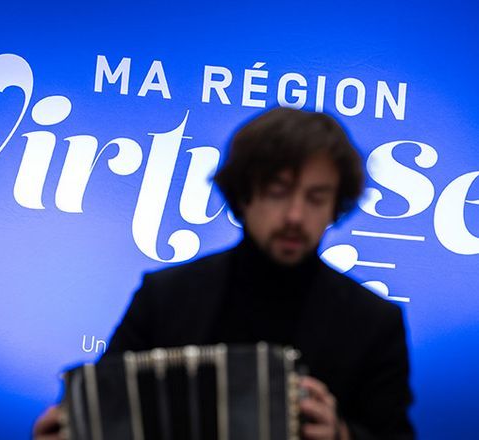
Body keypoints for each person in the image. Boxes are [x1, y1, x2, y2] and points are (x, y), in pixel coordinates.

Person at [34, 108, 414, 440]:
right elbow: (102, 405)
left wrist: (342, 434)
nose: (296, 216)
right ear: (244, 195)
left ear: (335, 206)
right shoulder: (165, 295)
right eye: (278, 191)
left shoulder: (374, 322)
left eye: (316, 197)